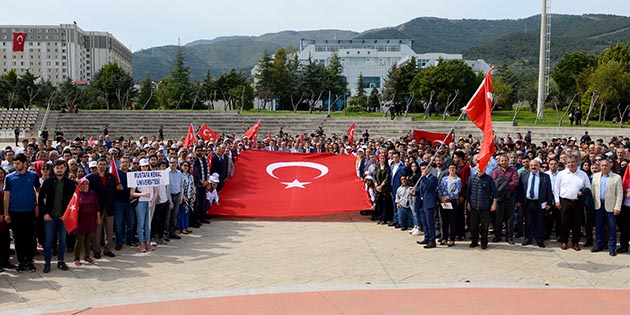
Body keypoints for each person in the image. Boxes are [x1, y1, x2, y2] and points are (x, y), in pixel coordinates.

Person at [4, 153, 41, 273]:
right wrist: (6, 213)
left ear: (25, 163)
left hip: (29, 211)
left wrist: (37, 205)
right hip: (15, 212)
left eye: (18, 163)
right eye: (14, 163)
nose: (16, 165)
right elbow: (6, 196)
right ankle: (21, 262)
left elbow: (38, 191)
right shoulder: (9, 178)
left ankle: (30, 261)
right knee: (18, 238)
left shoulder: (33, 175)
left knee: (30, 237)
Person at [38, 160, 75, 273]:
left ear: (65, 169)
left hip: (63, 217)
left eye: (62, 167)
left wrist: (67, 215)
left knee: (63, 240)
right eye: (57, 167)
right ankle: (47, 263)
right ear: (53, 169)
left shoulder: (69, 183)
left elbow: (73, 201)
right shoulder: (47, 182)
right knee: (48, 241)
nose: (59, 170)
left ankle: (61, 261)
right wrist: (44, 213)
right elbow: (40, 199)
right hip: (49, 216)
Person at [554, 154, 591, 251]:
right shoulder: (561, 174)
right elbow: (556, 189)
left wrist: (582, 191)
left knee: (577, 223)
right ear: (566, 163)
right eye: (569, 162)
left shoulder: (583, 174)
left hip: (577, 202)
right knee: (564, 222)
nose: (571, 164)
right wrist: (557, 201)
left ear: (577, 162)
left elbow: (588, 187)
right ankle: (564, 241)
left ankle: (575, 242)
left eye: (573, 162)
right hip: (564, 201)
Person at [85, 158, 120, 258]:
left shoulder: (111, 177)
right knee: (97, 231)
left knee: (109, 231)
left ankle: (107, 249)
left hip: (109, 207)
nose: (102, 166)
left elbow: (114, 191)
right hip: (97, 209)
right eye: (100, 164)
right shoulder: (90, 178)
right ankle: (96, 250)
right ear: (97, 166)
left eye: (104, 164)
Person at [517, 159, 554, 248]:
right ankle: (528, 238)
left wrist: (549, 202)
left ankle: (539, 240)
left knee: (540, 222)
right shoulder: (523, 175)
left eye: (535, 165)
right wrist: (518, 201)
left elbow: (549, 190)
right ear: (529, 166)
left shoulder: (545, 176)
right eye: (531, 165)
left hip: (540, 203)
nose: (533, 167)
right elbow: (520, 189)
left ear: (539, 166)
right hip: (527, 202)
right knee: (528, 221)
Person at [590, 158, 623, 256]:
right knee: (598, 226)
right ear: (600, 166)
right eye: (602, 165)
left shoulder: (616, 177)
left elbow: (619, 194)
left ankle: (612, 248)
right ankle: (599, 245)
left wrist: (617, 207)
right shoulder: (595, 176)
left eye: (606, 165)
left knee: (612, 228)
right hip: (598, 205)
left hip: (611, 206)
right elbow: (593, 192)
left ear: (610, 166)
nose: (604, 167)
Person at [466, 168, 499, 249]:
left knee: (485, 225)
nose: (480, 171)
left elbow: (495, 193)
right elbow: (468, 192)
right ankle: (474, 241)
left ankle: (484, 242)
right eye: (479, 169)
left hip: (485, 206)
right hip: (474, 206)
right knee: (473, 225)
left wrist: (494, 204)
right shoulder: (472, 178)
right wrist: (468, 203)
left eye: (482, 169)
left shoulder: (489, 179)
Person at [491, 155, 519, 244]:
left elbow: (515, 183)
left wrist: (502, 184)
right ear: (499, 162)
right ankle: (497, 236)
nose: (504, 162)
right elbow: (494, 183)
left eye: (505, 160)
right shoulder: (495, 171)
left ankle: (509, 237)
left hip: (510, 197)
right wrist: (506, 182)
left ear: (508, 161)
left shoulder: (513, 171)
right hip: (499, 198)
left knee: (509, 218)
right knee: (498, 218)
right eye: (502, 161)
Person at [132, 159, 158, 252]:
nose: (145, 168)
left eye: (146, 166)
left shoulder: (152, 177)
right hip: (140, 202)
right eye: (143, 166)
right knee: (141, 223)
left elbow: (156, 192)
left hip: (150, 203)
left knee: (148, 224)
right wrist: (142, 194)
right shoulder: (136, 177)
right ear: (140, 167)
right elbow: (132, 193)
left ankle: (148, 242)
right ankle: (141, 243)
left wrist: (152, 202)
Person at [73, 178, 100, 265]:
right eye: (82, 184)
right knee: (80, 240)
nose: (85, 186)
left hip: (91, 219)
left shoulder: (92, 193)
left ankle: (87, 256)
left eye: (86, 184)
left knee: (88, 239)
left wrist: (98, 218)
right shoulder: (77, 194)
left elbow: (97, 206)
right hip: (80, 220)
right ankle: (76, 258)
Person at [415, 162, 438, 249]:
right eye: (422, 169)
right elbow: (421, 189)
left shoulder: (433, 178)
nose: (423, 170)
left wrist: (424, 177)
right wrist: (414, 192)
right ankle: (426, 238)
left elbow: (429, 187)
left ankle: (432, 241)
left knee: (430, 223)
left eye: (425, 168)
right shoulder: (422, 179)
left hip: (429, 203)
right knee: (424, 223)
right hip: (422, 203)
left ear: (429, 169)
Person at [113, 156, 135, 249]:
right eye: (123, 162)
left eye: (127, 162)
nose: (125, 164)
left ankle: (129, 240)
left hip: (130, 202)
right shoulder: (116, 175)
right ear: (119, 164)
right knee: (118, 224)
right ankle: (119, 242)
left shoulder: (132, 174)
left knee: (130, 223)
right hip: (119, 202)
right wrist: (116, 187)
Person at [438, 163, 462, 247]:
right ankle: (444, 238)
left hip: (452, 201)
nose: (452, 169)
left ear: (456, 169)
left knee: (452, 220)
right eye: (450, 168)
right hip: (443, 201)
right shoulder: (444, 179)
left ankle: (452, 239)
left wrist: (447, 197)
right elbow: (440, 188)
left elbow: (457, 191)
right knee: (444, 220)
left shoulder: (458, 180)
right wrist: (441, 197)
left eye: (453, 168)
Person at [0, 168, 16, 272]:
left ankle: (6, 261)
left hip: (6, 216)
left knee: (5, 240)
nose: (0, 175)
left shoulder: (8, 184)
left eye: (1, 173)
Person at [167, 157, 183, 240]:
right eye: (172, 162)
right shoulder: (166, 172)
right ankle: (166, 233)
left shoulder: (179, 173)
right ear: (169, 163)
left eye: (175, 162)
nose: (173, 164)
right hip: (169, 196)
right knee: (167, 217)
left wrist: (181, 197)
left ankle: (172, 232)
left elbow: (181, 186)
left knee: (174, 216)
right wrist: (169, 200)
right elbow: (167, 188)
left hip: (177, 196)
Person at [374, 154, 392, 225]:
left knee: (385, 204)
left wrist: (381, 186)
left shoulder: (387, 168)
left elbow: (387, 178)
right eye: (381, 158)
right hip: (377, 188)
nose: (382, 160)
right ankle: (380, 217)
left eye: (383, 158)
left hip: (384, 189)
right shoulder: (377, 167)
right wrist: (376, 185)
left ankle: (385, 218)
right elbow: (374, 176)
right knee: (379, 204)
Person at [178, 161, 195, 235]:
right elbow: (179, 187)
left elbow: (193, 185)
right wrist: (182, 196)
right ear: (181, 166)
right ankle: (182, 227)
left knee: (187, 212)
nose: (186, 167)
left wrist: (194, 194)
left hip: (189, 195)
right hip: (182, 196)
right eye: (184, 165)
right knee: (181, 212)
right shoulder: (180, 175)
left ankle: (186, 226)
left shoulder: (190, 176)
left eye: (187, 165)